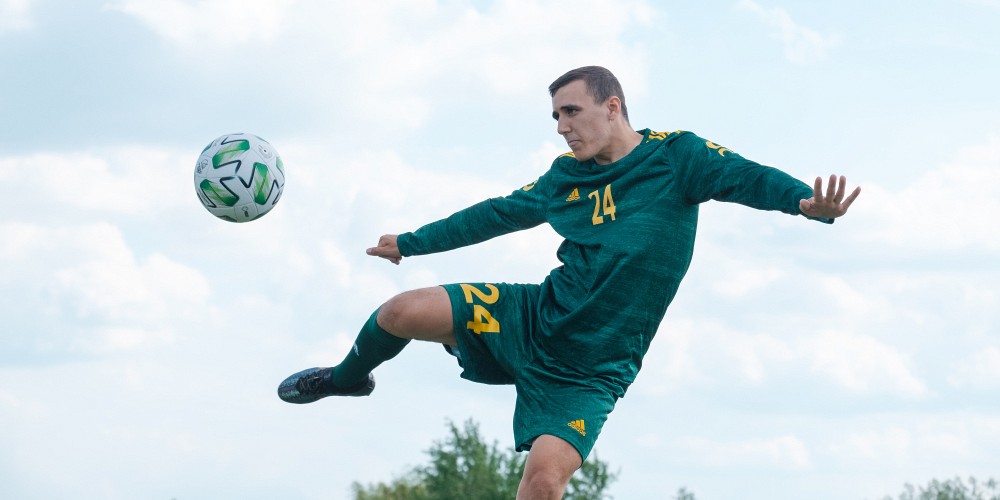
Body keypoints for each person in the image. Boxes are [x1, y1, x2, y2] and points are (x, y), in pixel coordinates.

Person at [277, 65, 861, 499]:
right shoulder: (565, 178)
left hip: (590, 370)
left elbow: (746, 177)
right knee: (399, 312)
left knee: (543, 485)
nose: (561, 127)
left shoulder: (677, 158)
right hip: (534, 317)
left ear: (612, 106)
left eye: (571, 112)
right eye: (555, 117)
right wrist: (411, 242)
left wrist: (806, 204)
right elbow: (497, 213)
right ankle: (346, 379)